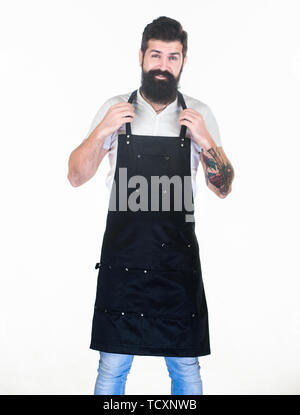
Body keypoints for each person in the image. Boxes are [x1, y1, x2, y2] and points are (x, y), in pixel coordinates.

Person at [67, 16, 234, 395]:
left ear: (183, 62)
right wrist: (101, 131)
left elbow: (222, 188)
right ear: (141, 57)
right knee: (111, 369)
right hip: (123, 262)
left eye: (172, 57)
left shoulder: (199, 115)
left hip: (176, 267)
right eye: (155, 55)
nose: (163, 64)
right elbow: (76, 176)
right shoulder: (114, 109)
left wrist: (206, 141)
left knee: (186, 370)